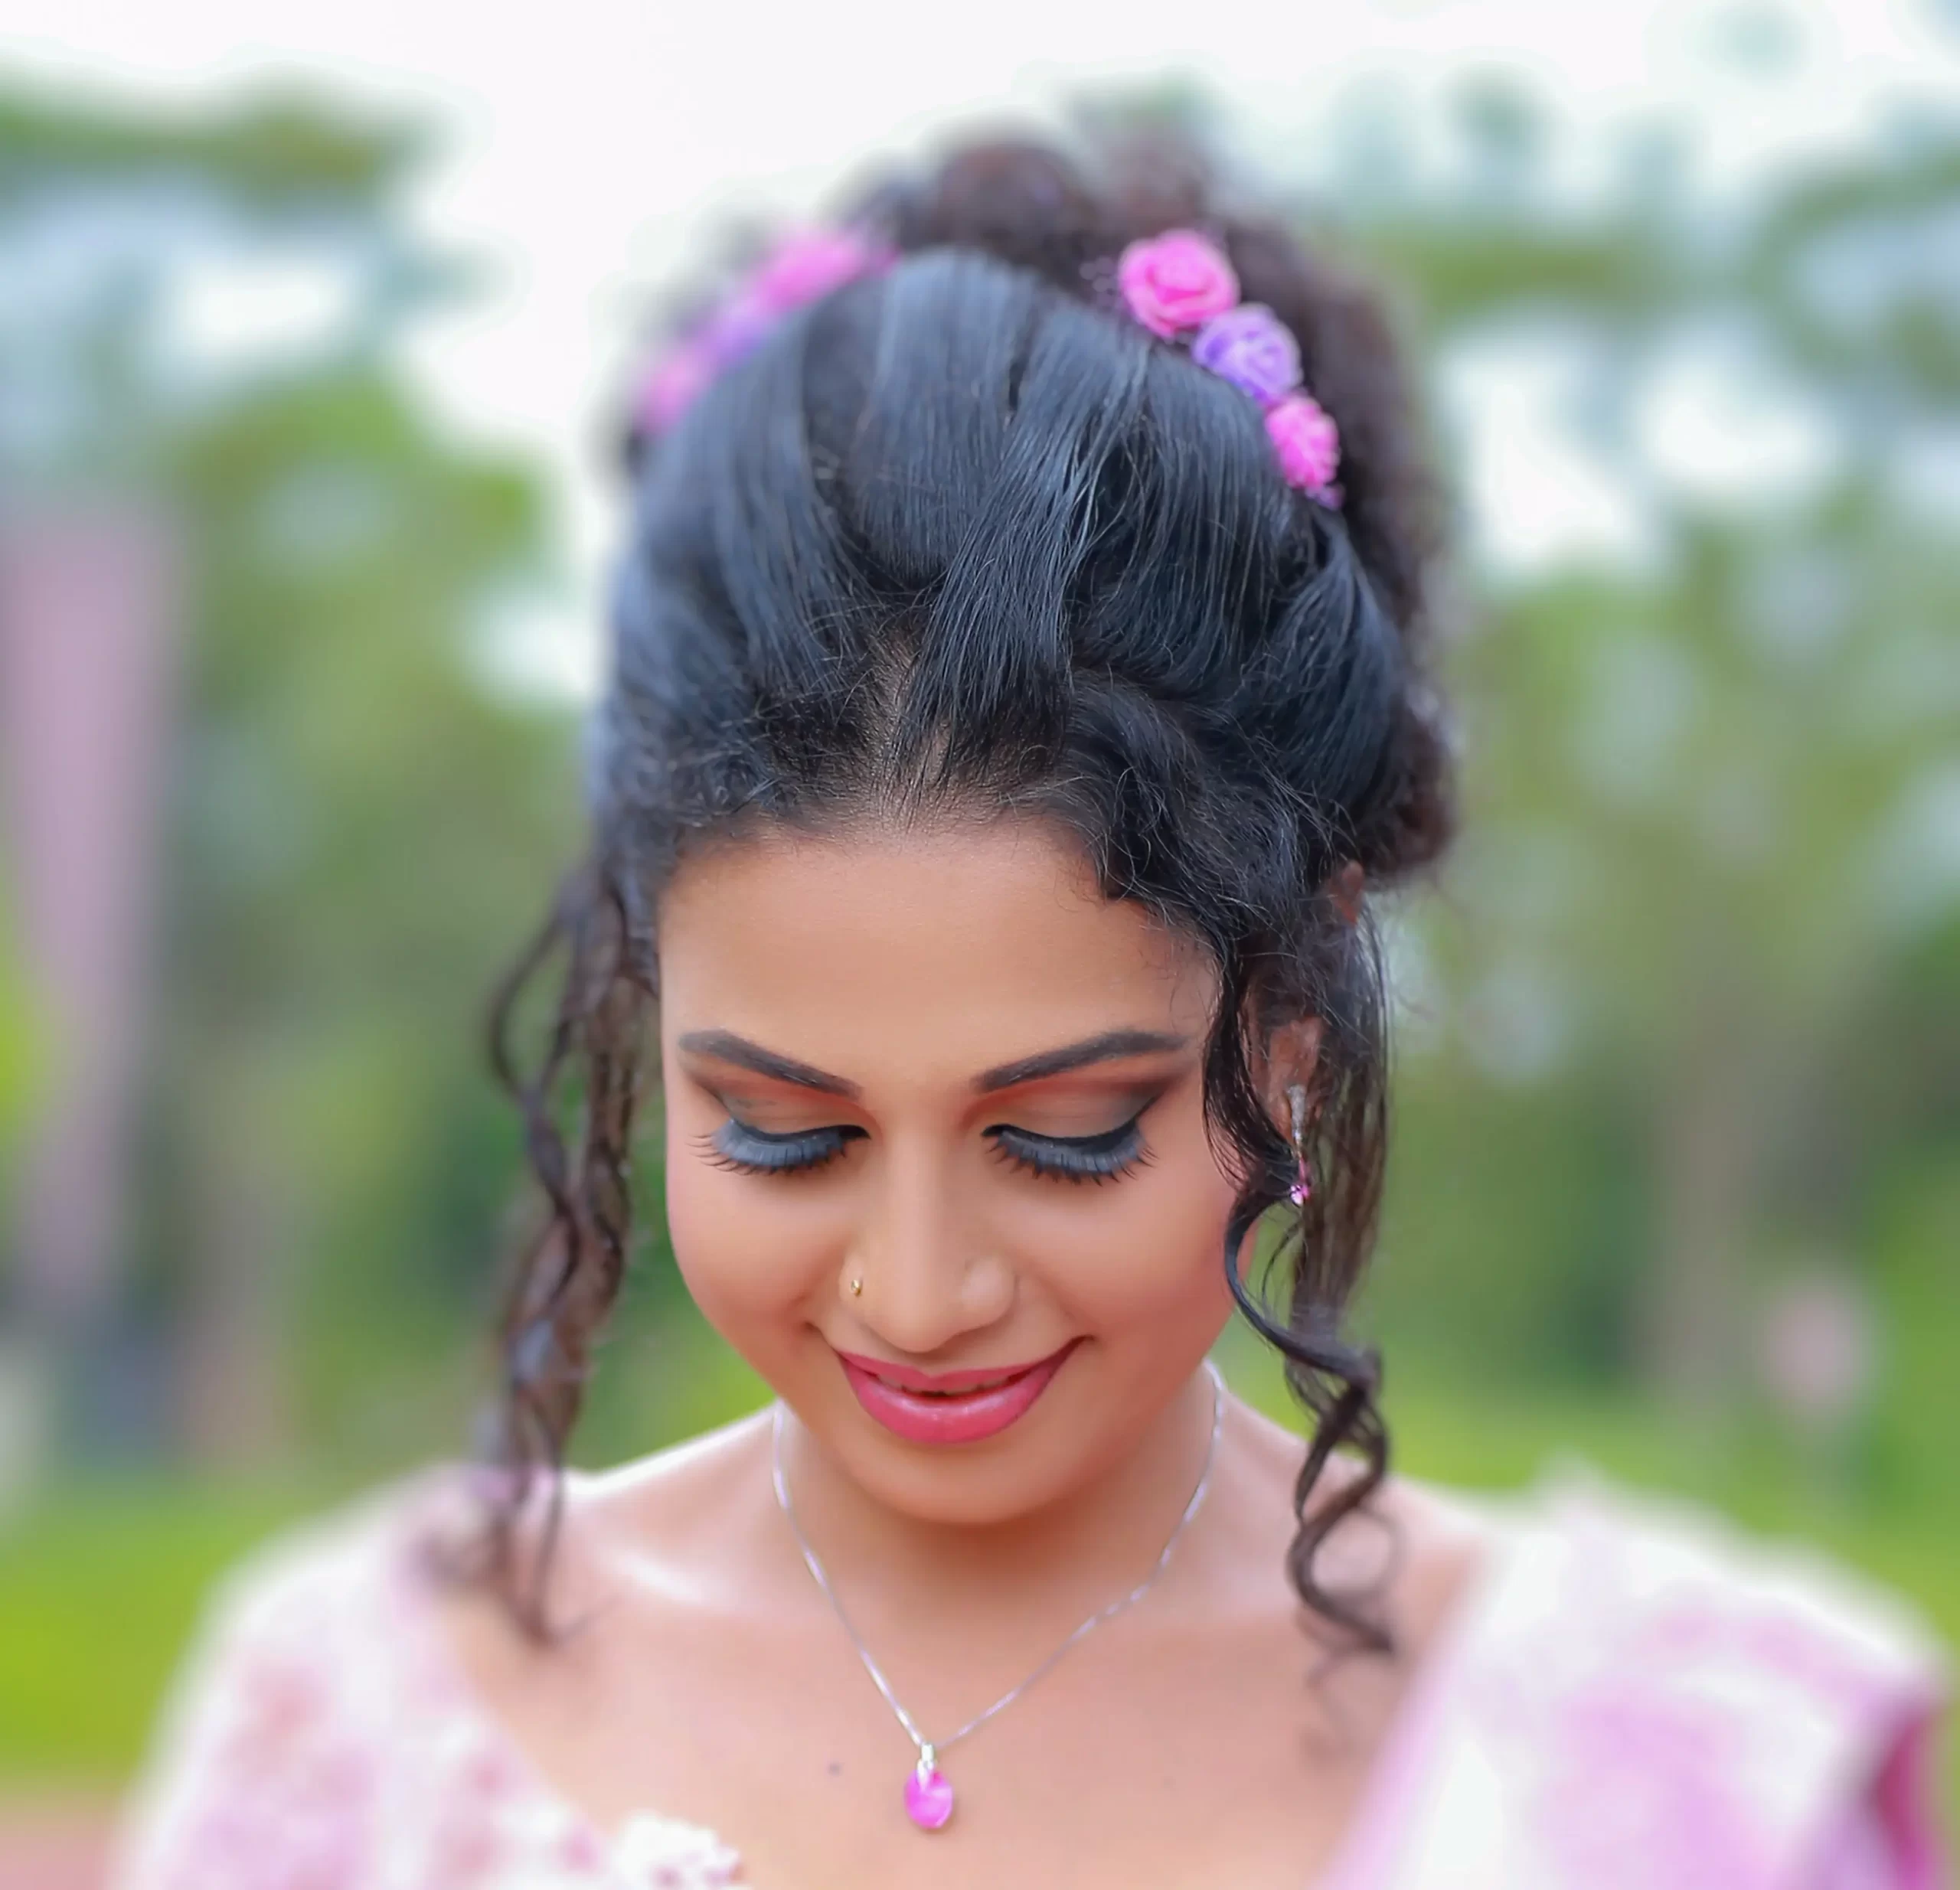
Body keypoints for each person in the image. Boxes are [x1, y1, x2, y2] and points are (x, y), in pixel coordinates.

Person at [109, 132, 1949, 1890]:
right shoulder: (354, 1722)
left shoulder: (1669, 1782)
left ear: (1292, 1034)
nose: (916, 1293)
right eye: (782, 1132)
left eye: (1064, 1139)